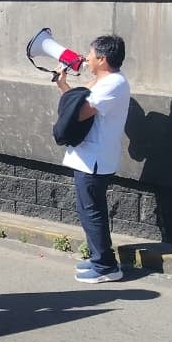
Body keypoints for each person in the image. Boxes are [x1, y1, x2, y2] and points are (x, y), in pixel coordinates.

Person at [54, 35, 130, 284]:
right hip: (88, 157)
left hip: (95, 159)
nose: (86, 58)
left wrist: (71, 93)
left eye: (90, 54)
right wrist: (64, 87)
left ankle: (107, 266)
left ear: (102, 58)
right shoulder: (103, 81)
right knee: (89, 210)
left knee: (92, 212)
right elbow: (76, 109)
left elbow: (81, 113)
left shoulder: (113, 83)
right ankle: (100, 259)